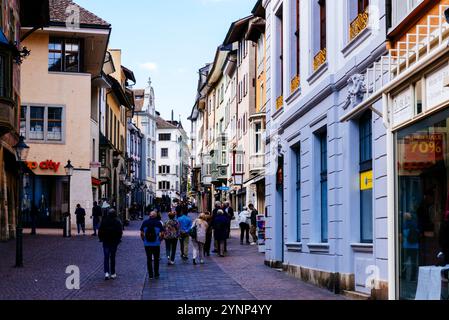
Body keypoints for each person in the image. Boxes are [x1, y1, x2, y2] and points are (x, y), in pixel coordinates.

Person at [98, 209, 123, 280]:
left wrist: (101, 238)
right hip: (114, 241)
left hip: (106, 241)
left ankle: (106, 272)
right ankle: (113, 273)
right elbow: (120, 232)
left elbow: (100, 230)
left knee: (106, 257)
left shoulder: (104, 221)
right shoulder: (117, 221)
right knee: (112, 257)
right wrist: (118, 240)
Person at [140, 211, 165, 279]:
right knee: (156, 259)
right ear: (156, 216)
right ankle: (156, 273)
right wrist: (160, 240)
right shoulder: (158, 223)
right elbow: (162, 233)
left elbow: (142, 233)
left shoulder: (145, 222)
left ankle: (150, 274)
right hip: (156, 244)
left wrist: (144, 240)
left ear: (149, 215)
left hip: (147, 244)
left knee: (149, 259)